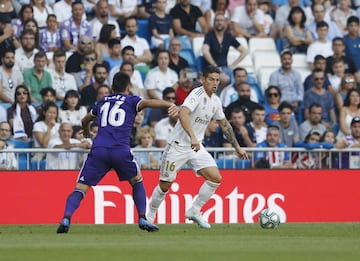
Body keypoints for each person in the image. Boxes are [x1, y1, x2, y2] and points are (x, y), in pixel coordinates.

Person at [56, 71, 178, 233]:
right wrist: (170, 105)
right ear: (128, 87)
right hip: (120, 150)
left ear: (112, 87)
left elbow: (85, 120)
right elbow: (149, 102)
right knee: (137, 181)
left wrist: (86, 132)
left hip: (98, 150)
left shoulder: (102, 101)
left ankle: (66, 217)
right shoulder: (131, 100)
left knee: (80, 188)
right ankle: (142, 217)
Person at [146, 65, 248, 228]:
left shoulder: (215, 101)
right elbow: (184, 113)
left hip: (196, 147)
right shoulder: (196, 94)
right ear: (203, 79)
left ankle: (195, 210)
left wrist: (237, 147)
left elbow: (225, 125)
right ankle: (149, 216)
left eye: (217, 80)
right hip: (178, 146)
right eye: (211, 79)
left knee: (215, 178)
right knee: (165, 185)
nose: (215, 83)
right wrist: (193, 136)